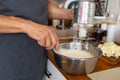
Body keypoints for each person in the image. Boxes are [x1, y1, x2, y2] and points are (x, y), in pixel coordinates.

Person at [0, 0, 73, 80]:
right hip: (8, 59)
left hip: (35, 57)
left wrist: (69, 14)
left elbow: (39, 8)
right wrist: (27, 26)